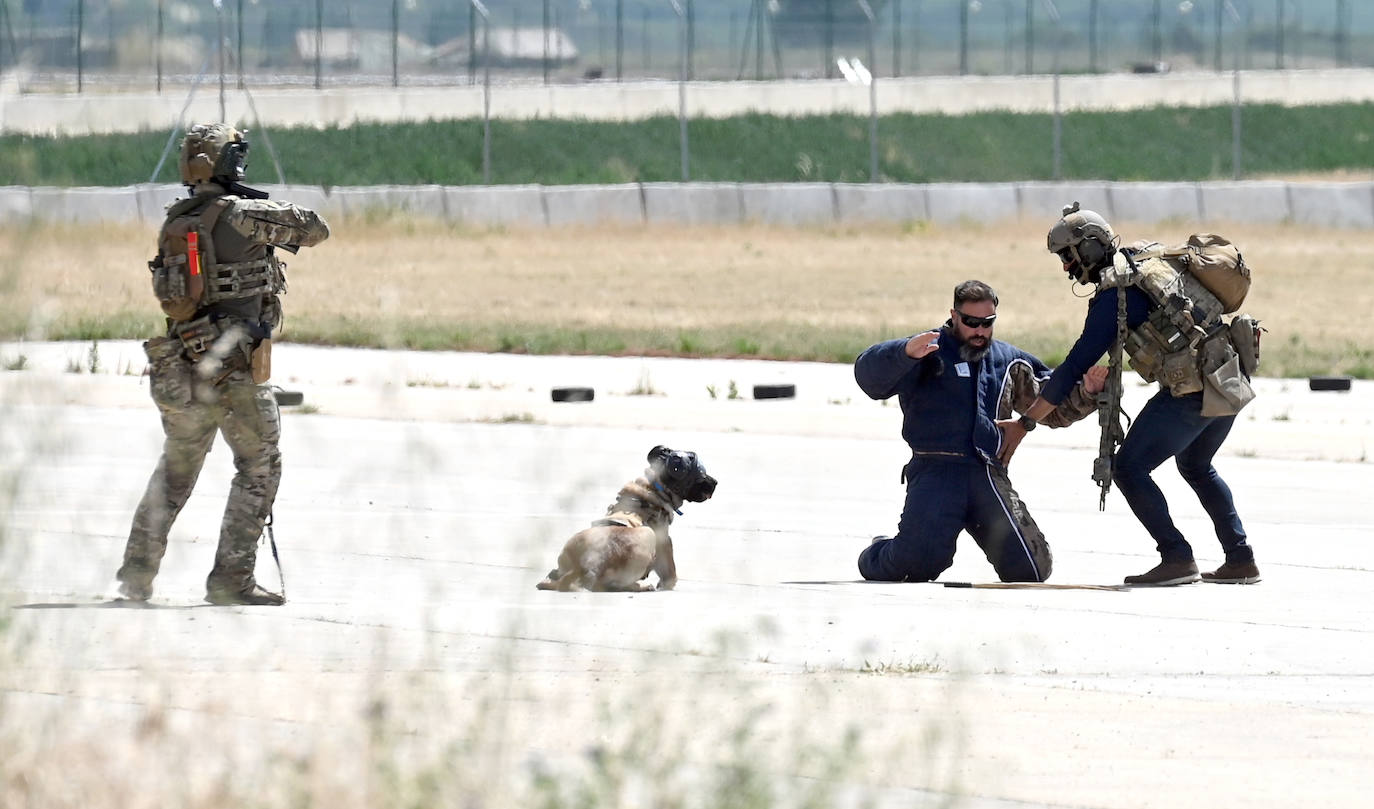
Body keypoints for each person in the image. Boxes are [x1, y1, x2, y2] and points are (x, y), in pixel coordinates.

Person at [116, 123, 330, 606]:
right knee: (259, 467)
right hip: (232, 370)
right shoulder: (241, 215)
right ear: (231, 161)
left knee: (175, 472)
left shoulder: (176, 219)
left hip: (179, 364)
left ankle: (136, 574)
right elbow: (316, 229)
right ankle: (231, 580)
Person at [1021, 204, 1259, 587]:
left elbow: (1074, 366)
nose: (1066, 266)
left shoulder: (1118, 295)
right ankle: (1240, 558)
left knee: (1129, 469)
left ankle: (1177, 557)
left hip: (1193, 393)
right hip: (1227, 379)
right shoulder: (1150, 260)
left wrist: (1026, 422)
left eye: (1069, 255)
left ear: (1092, 247)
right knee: (1197, 466)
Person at [855, 280, 1104, 583]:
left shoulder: (1008, 360)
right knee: (914, 567)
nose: (980, 331)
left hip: (987, 474)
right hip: (936, 473)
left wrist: (1088, 392)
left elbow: (1052, 404)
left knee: (1030, 571)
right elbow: (869, 378)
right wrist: (904, 352)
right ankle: (878, 550)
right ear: (954, 315)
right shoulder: (926, 349)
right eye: (971, 322)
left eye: (987, 323)